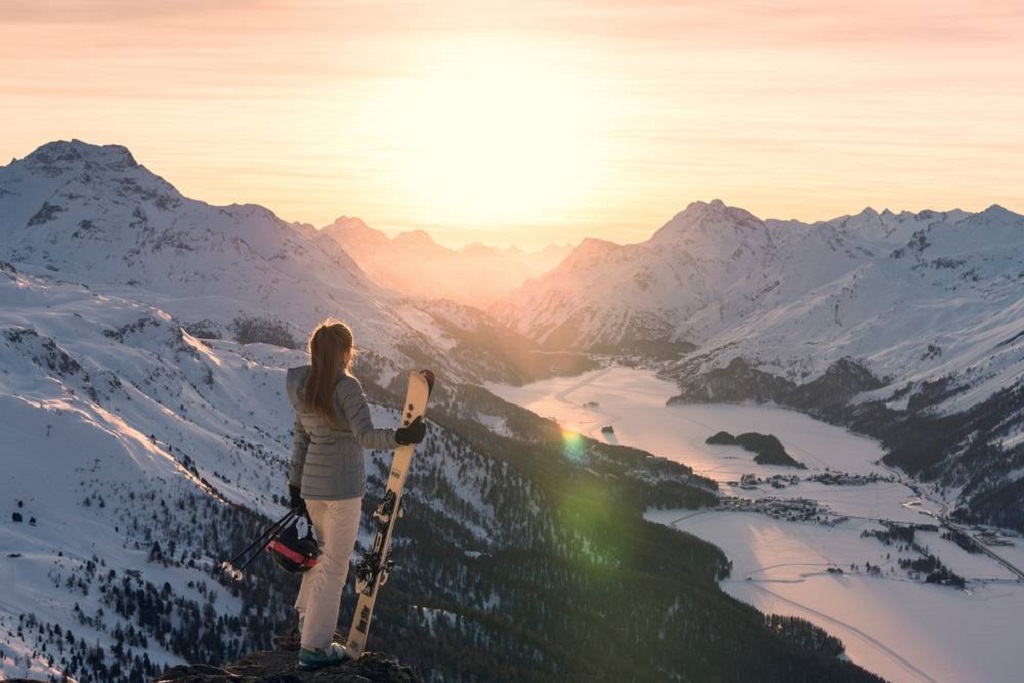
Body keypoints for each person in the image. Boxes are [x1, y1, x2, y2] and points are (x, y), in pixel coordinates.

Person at [285, 318, 425, 671]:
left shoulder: (302, 383)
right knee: (334, 567)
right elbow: (365, 437)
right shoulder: (346, 387)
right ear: (346, 353)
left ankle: (306, 621)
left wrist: (295, 484)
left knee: (317, 557)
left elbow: (301, 439)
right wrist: (402, 437)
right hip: (343, 489)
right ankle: (314, 648)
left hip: (313, 488)